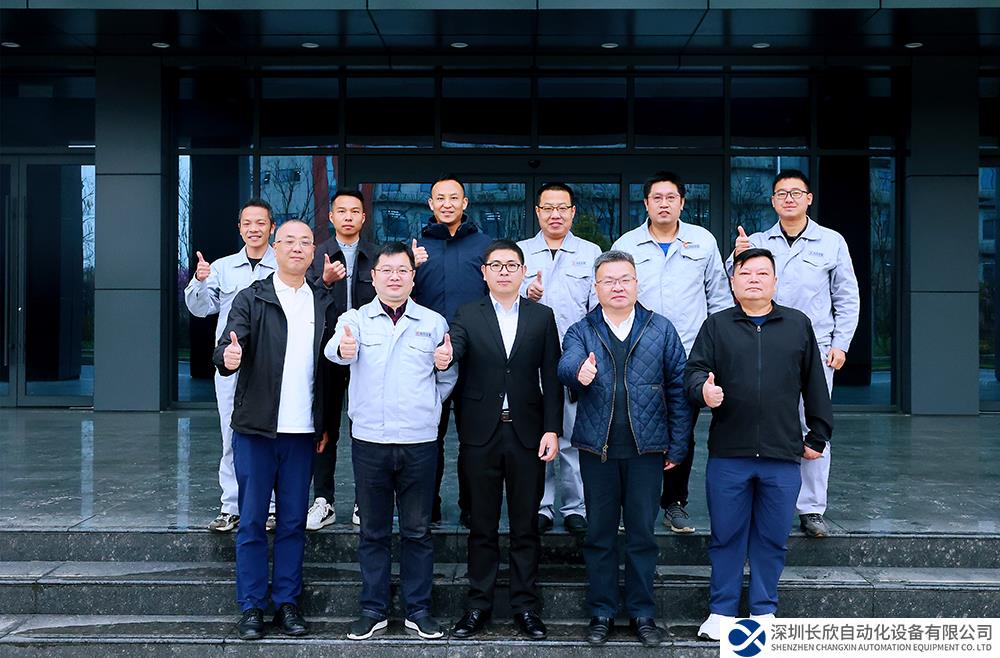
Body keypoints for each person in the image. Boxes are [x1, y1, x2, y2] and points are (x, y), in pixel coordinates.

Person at [688, 248, 833, 640]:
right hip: (729, 453)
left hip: (781, 454)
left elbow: (815, 384)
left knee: (772, 537)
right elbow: (694, 372)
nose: (753, 278)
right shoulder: (716, 326)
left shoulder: (797, 325)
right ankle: (721, 612)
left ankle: (763, 610)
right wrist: (704, 391)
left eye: (762, 273)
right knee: (726, 536)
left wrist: (818, 434)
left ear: (775, 281)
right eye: (745, 272)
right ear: (733, 282)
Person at [214, 220, 340, 641]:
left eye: (305, 242)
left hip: (302, 433)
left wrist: (326, 425)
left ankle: (287, 602)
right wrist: (228, 357)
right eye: (289, 241)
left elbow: (330, 371)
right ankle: (251, 605)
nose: (297, 248)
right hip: (256, 429)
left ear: (313, 252)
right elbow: (229, 344)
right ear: (275, 247)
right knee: (251, 521)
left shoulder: (322, 301)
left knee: (292, 522)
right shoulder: (253, 297)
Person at [557, 250, 691, 648]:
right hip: (596, 450)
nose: (617, 287)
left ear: (636, 283)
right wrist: (578, 373)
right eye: (609, 281)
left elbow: (679, 390)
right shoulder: (581, 329)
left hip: (646, 450)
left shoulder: (660, 329)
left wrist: (678, 445)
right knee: (599, 534)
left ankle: (642, 613)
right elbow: (565, 365)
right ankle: (601, 612)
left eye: (625, 279)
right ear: (596, 287)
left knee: (641, 535)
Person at [326, 241, 457, 641]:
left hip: (420, 443)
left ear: (413, 278)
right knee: (373, 532)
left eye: (403, 270)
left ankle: (419, 610)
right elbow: (334, 351)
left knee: (418, 530)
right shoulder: (355, 319)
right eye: (387, 270)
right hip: (371, 442)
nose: (395, 277)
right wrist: (344, 348)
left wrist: (432, 398)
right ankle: (373, 609)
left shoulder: (433, 322)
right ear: (374, 277)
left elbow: (447, 376)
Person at [434, 239, 562, 641]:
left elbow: (552, 377)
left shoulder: (542, 316)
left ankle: (525, 606)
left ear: (523, 272)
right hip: (480, 433)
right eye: (496, 265)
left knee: (526, 526)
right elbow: (457, 345)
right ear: (484, 272)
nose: (504, 271)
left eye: (511, 265)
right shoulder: (468, 313)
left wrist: (552, 428)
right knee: (482, 525)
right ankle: (478, 605)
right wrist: (446, 355)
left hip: (527, 433)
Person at [729, 169, 859, 538]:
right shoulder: (756, 240)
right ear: (772, 201)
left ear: (809, 199)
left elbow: (847, 296)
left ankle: (812, 508)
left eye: (796, 192)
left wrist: (841, 343)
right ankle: (767, 502)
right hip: (761, 344)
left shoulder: (831, 241)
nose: (789, 198)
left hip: (814, 347)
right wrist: (736, 256)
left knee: (813, 424)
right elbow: (734, 284)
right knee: (761, 422)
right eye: (781, 193)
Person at [611, 171, 731, 533]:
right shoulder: (627, 245)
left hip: (692, 353)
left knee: (682, 429)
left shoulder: (703, 241)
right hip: (638, 353)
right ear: (646, 204)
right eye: (657, 198)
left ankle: (675, 502)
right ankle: (633, 503)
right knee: (635, 428)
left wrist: (719, 350)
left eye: (671, 197)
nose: (664, 204)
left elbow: (719, 298)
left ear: (682, 202)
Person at [185, 198, 278, 533]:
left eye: (261, 223)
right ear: (239, 228)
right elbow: (200, 309)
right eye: (247, 223)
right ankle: (231, 507)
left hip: (271, 366)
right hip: (231, 365)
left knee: (271, 436)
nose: (254, 229)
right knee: (231, 436)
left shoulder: (283, 265)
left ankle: (270, 507)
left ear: (272, 227)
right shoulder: (222, 268)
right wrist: (199, 280)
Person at [517, 182, 601, 538]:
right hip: (528, 358)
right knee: (535, 434)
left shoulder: (591, 252)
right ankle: (541, 505)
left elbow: (596, 310)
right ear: (537, 212)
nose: (555, 214)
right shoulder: (521, 252)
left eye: (562, 208)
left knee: (570, 437)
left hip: (572, 357)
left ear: (573, 212)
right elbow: (503, 298)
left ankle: (574, 507)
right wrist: (527, 292)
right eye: (548, 208)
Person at [412, 175, 493, 527]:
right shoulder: (415, 247)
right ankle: (426, 505)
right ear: (431, 204)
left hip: (476, 354)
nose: (447, 204)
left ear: (465, 203)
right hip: (427, 357)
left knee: (474, 439)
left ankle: (471, 505)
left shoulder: (485, 246)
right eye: (440, 198)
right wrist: (410, 265)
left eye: (454, 197)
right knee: (428, 435)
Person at [304, 189, 379, 530]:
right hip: (326, 353)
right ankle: (324, 500)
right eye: (341, 211)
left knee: (365, 427)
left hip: (369, 355)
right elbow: (302, 302)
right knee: (324, 426)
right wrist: (323, 281)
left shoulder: (377, 256)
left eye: (354, 211)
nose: (348, 217)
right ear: (331, 217)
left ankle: (365, 500)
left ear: (363, 217)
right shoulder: (315, 254)